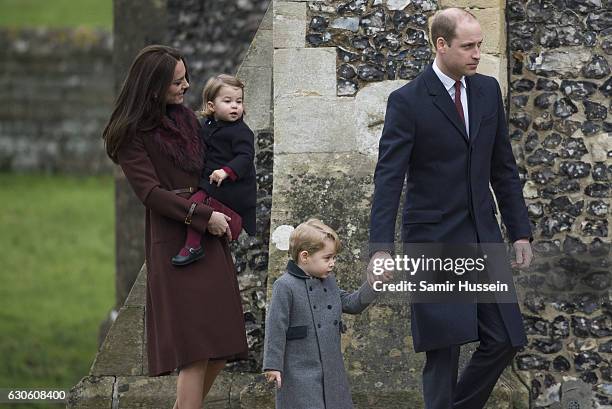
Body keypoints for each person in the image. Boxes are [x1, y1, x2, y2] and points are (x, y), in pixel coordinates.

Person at [368, 8, 534, 409]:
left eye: (480, 44)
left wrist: (520, 231)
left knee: (506, 339)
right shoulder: (407, 101)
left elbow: (503, 167)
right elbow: (388, 178)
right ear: (441, 45)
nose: (478, 53)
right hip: (434, 241)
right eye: (469, 46)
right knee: (442, 352)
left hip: (483, 235)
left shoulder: (487, 90)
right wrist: (380, 247)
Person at [102, 45, 248, 409]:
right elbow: (150, 194)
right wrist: (203, 217)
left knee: (221, 346)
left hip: (209, 233)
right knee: (194, 351)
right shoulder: (129, 133)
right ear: (153, 87)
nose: (186, 87)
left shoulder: (186, 119)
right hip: (174, 241)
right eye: (178, 82)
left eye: (186, 79)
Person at [263, 219, 381, 409]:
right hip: (299, 373)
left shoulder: (329, 282)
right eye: (327, 258)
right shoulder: (284, 286)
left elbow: (352, 303)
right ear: (305, 256)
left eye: (334, 258)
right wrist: (273, 365)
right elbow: (276, 327)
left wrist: (375, 283)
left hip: (332, 371)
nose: (333, 263)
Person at [171, 74, 257, 266]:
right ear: (211, 106)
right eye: (228, 101)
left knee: (195, 206)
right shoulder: (207, 126)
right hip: (211, 182)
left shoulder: (241, 132)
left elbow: (245, 157)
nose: (235, 106)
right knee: (198, 204)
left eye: (239, 101)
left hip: (232, 186)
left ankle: (193, 246)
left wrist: (226, 171)